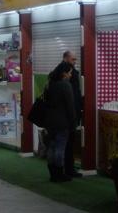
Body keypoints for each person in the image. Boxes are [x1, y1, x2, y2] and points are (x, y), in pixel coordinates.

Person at [44, 61, 76, 182]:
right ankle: (59, 173)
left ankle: (52, 173)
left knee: (51, 147)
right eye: (70, 73)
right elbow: (70, 106)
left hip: (49, 121)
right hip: (62, 122)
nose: (71, 75)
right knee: (60, 148)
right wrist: (73, 122)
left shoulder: (50, 83)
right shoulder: (65, 85)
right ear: (64, 73)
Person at [62, 50, 83, 178]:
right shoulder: (65, 73)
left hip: (72, 112)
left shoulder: (72, 72)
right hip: (68, 114)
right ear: (65, 59)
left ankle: (68, 168)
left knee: (69, 142)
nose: (75, 62)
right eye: (73, 59)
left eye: (75, 60)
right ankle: (67, 170)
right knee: (67, 143)